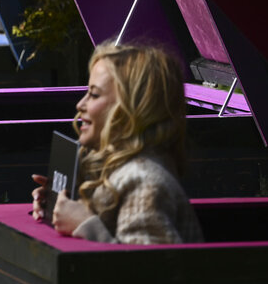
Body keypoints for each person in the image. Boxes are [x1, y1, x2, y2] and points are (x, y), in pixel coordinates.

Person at [31, 41, 202, 244]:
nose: (80, 104)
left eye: (94, 95)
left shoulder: (145, 182)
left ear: (133, 108)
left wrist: (84, 224)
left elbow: (155, 270)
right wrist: (60, 201)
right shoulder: (120, 170)